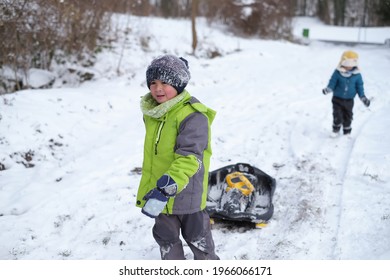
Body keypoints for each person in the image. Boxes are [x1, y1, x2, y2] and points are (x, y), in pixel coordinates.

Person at [136, 54, 219, 260]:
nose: (157, 88)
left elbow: (190, 157)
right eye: (153, 82)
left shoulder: (193, 115)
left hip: (186, 192)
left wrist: (169, 185)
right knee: (166, 237)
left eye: (165, 82)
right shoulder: (155, 112)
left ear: (179, 84)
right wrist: (159, 189)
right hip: (159, 192)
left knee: (197, 237)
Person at [322, 50, 371, 135]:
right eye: (346, 65)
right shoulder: (337, 72)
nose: (348, 67)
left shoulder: (357, 75)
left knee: (348, 115)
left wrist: (363, 97)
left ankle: (347, 130)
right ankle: (336, 129)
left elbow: (360, 87)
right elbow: (332, 82)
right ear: (342, 63)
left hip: (349, 100)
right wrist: (328, 89)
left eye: (351, 65)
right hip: (337, 99)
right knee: (337, 114)